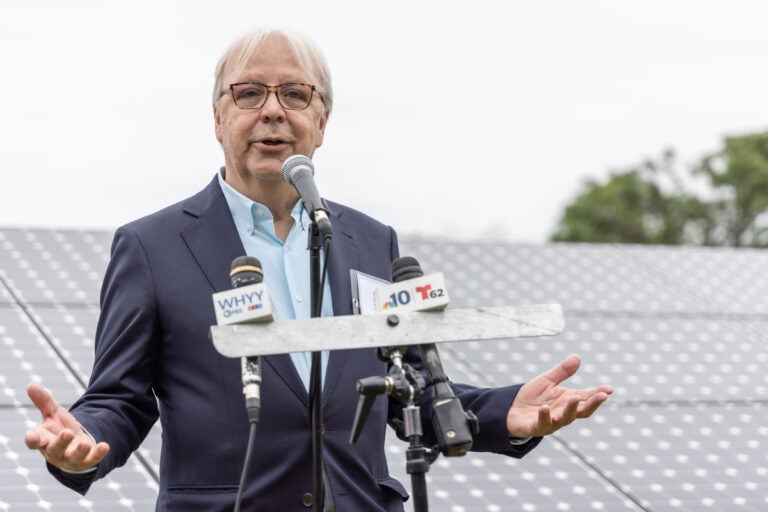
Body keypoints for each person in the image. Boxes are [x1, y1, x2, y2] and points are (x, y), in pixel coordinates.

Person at [24, 27, 613, 511]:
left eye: (295, 95)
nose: (273, 112)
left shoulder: (370, 242)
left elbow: (413, 389)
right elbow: (121, 398)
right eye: (249, 93)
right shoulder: (152, 247)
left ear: (322, 122)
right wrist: (77, 440)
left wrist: (505, 414)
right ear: (218, 118)